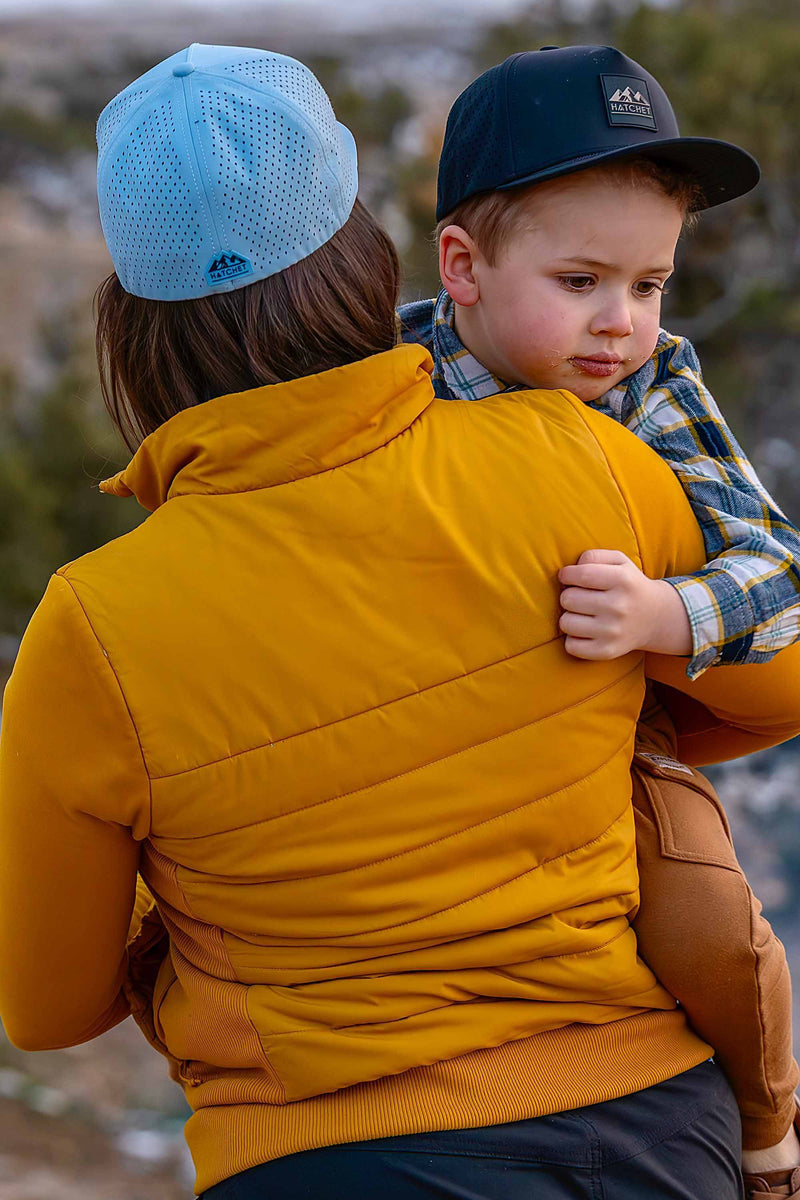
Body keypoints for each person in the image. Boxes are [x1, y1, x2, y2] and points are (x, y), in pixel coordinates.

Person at [2, 42, 800, 1200]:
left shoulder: (92, 627)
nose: (620, 319)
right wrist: (602, 713)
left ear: (128, 319)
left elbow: (47, 1006)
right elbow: (774, 685)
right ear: (373, 256)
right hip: (642, 1136)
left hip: (321, 1158)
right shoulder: (575, 451)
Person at [398, 45, 800, 1198]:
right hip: (438, 739)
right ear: (462, 267)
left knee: (712, 924)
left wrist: (665, 613)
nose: (619, 322)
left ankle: (765, 1131)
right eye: (580, 282)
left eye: (648, 284)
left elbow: (775, 563)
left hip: (613, 735)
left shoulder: (650, 387)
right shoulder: (391, 374)